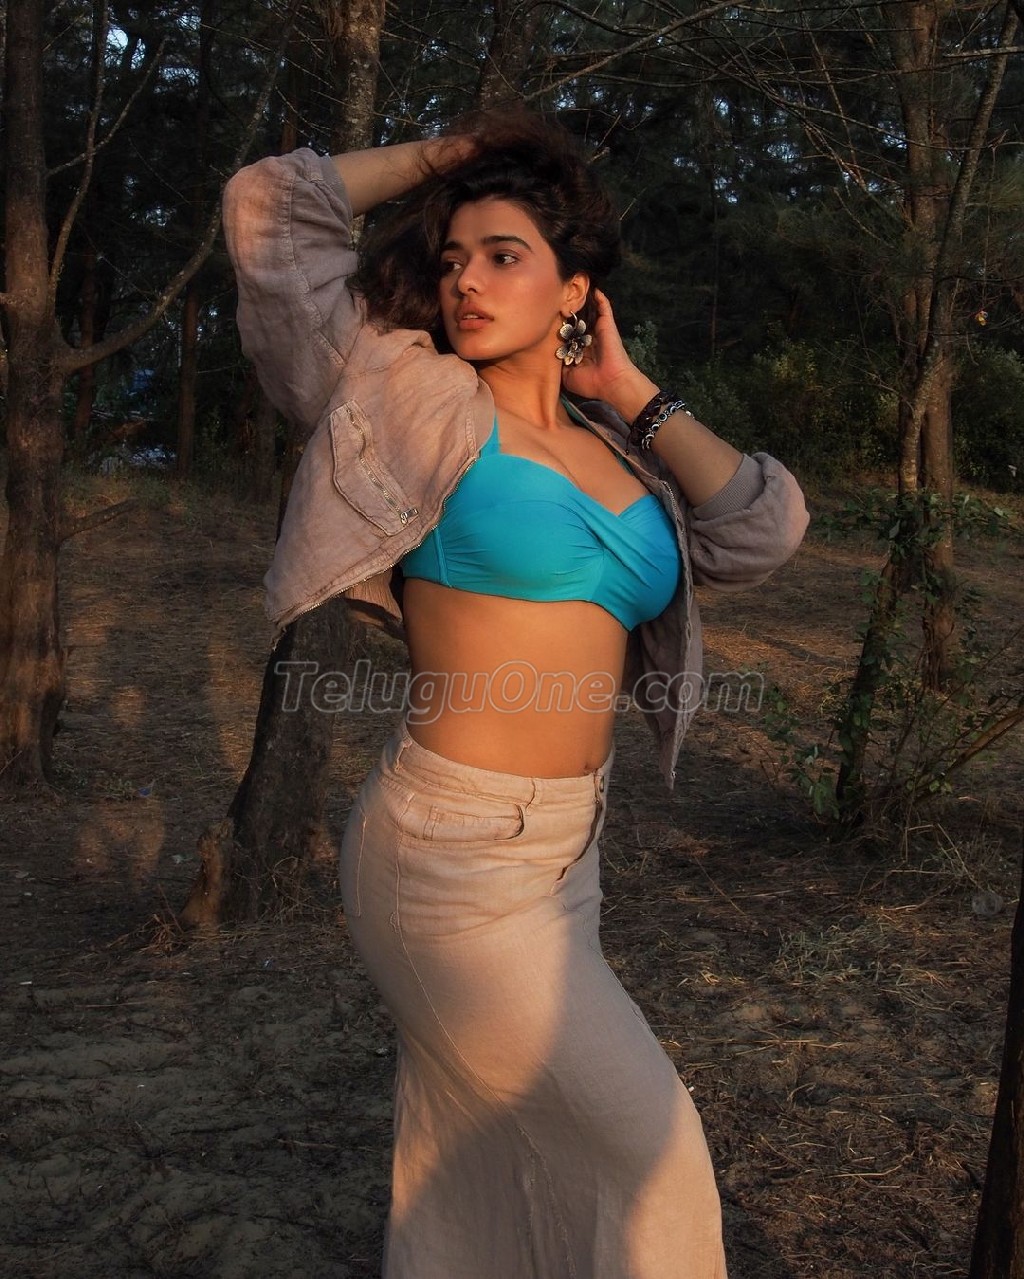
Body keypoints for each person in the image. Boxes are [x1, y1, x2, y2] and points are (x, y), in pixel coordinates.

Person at [223, 109, 808, 1279]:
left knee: (484, 1171)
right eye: (453, 260)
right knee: (653, 1153)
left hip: (566, 855)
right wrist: (457, 155)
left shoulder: (621, 448)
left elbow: (760, 526)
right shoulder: (410, 394)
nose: (467, 281)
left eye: (504, 256)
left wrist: (628, 384)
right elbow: (267, 210)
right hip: (445, 855)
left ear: (573, 290)